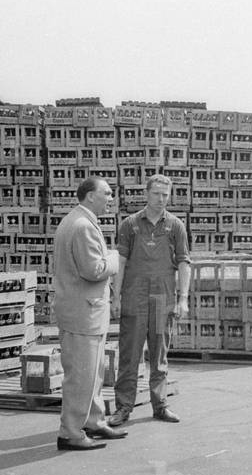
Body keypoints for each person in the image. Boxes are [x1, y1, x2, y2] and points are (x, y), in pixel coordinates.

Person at [108, 174, 190, 426]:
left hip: (161, 299)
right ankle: (123, 407)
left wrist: (183, 298)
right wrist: (116, 297)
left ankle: (160, 405)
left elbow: (183, 263)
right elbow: (120, 262)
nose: (161, 199)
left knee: (159, 354)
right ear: (147, 194)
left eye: (165, 195)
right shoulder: (130, 225)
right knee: (129, 354)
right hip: (134, 298)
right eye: (156, 193)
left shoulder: (175, 226)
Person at [53, 177, 128, 451]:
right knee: (81, 376)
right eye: (106, 193)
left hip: (85, 311)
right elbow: (93, 270)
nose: (111, 198)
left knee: (93, 372)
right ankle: (71, 432)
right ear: (89, 196)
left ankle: (93, 421)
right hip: (82, 313)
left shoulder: (78, 220)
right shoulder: (82, 226)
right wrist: (114, 258)